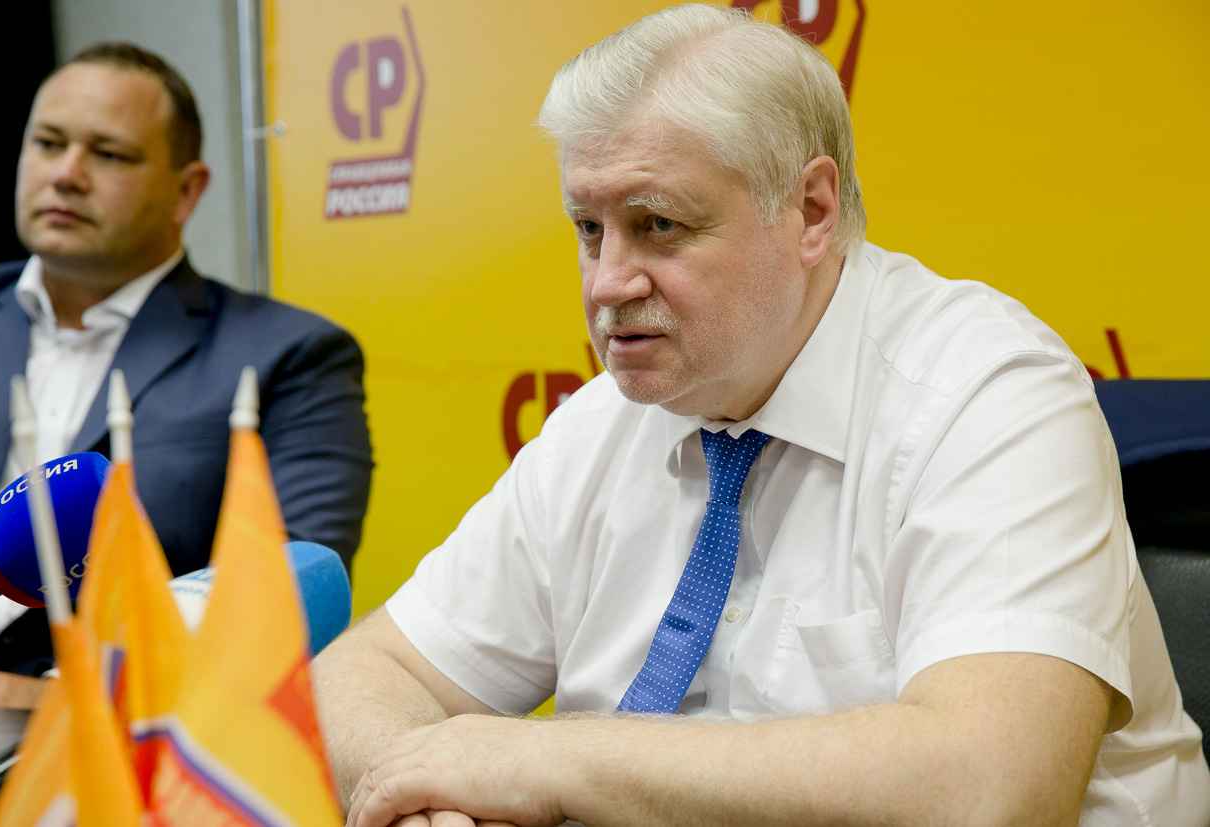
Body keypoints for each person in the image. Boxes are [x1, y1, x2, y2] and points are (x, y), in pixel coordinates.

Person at [312, 5, 1210, 826]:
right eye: (588, 228)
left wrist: (545, 758)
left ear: (811, 210)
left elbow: (992, 790)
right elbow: (367, 669)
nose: (607, 283)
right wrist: (420, 794)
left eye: (658, 224)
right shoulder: (606, 421)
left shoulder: (989, 395)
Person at [0, 43, 372, 708]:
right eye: (48, 143)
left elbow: (286, 589)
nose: (66, 174)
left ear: (186, 191)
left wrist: (63, 701)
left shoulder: (290, 353)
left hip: (116, 736)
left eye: (108, 154)